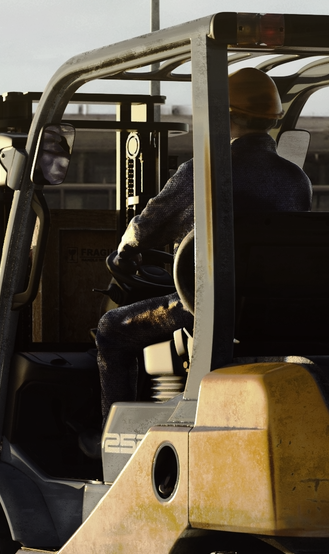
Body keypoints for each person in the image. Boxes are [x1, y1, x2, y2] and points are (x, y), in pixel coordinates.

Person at [94, 69, 311, 405]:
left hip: (214, 309)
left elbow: (147, 228)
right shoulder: (296, 180)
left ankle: (112, 434)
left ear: (223, 117)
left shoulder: (204, 172)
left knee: (111, 327)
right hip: (280, 309)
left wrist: (126, 250)